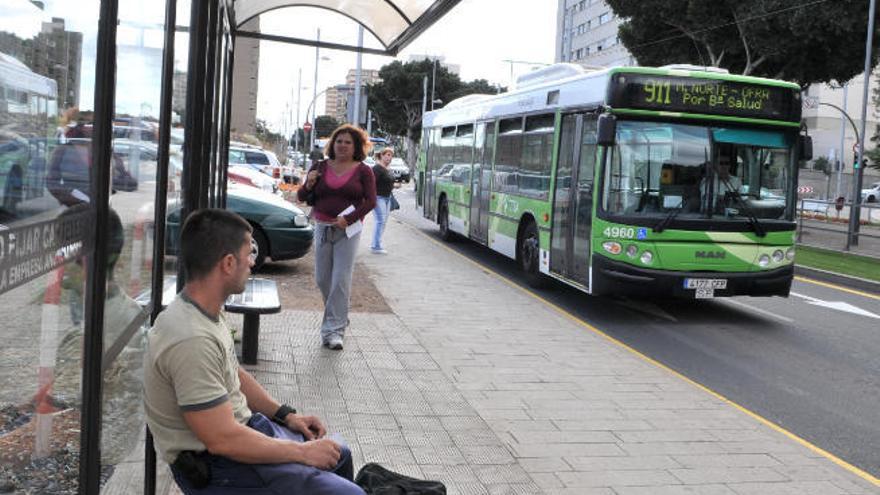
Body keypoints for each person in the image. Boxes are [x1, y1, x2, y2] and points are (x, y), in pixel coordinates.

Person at [143, 209, 364, 494]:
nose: (253, 262)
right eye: (249, 253)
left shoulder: (204, 311)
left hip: (243, 434)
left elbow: (232, 373)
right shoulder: (190, 338)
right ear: (228, 263)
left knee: (338, 453)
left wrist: (286, 415)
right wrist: (303, 453)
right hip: (219, 467)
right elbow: (221, 439)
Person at [297, 125, 376, 350]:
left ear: (356, 147)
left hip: (348, 231)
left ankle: (334, 331)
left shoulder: (364, 171)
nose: (342, 145)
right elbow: (302, 196)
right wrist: (309, 183)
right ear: (333, 144)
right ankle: (339, 315)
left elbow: (371, 201)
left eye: (348, 142)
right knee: (323, 278)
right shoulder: (320, 166)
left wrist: (348, 219)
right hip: (322, 227)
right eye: (339, 141)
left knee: (341, 278)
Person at [370, 146, 398, 254]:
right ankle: (376, 246)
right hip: (378, 198)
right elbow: (371, 184)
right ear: (381, 155)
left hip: (387, 198)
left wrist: (394, 185)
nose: (390, 158)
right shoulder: (377, 168)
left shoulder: (388, 169)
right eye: (388, 155)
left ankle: (377, 243)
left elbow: (387, 182)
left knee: (383, 222)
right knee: (380, 220)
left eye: (391, 156)